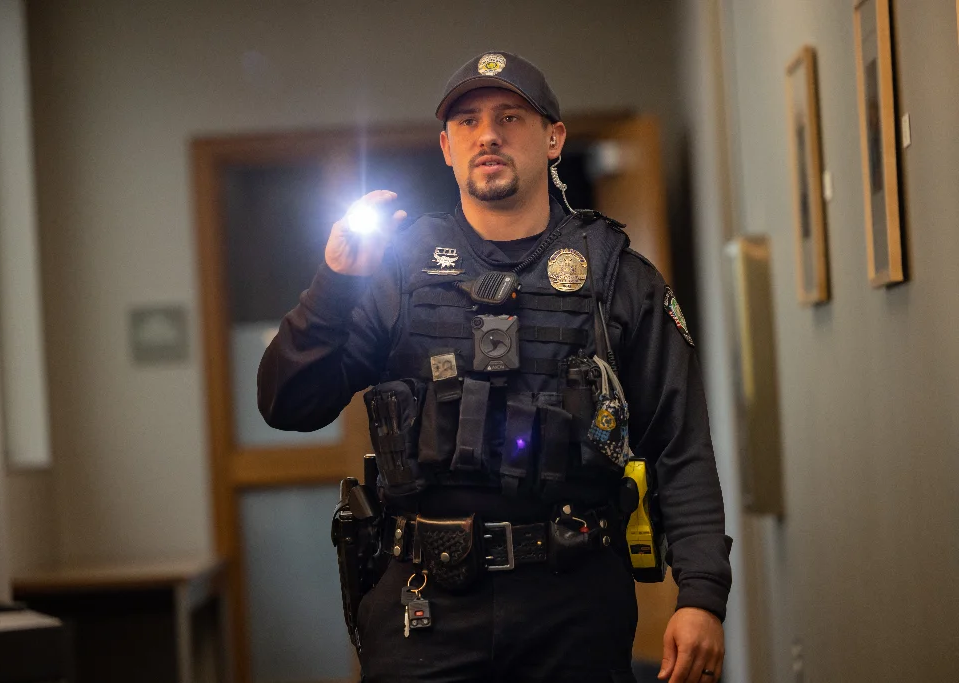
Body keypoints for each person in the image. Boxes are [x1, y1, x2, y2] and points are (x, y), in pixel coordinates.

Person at [258, 51, 732, 683]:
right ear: (447, 147)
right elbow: (288, 404)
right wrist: (334, 283)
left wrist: (701, 594)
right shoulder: (396, 273)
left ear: (554, 137)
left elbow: (681, 446)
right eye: (468, 121)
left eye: (510, 116)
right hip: (423, 606)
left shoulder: (618, 276)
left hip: (573, 604)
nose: (488, 134)